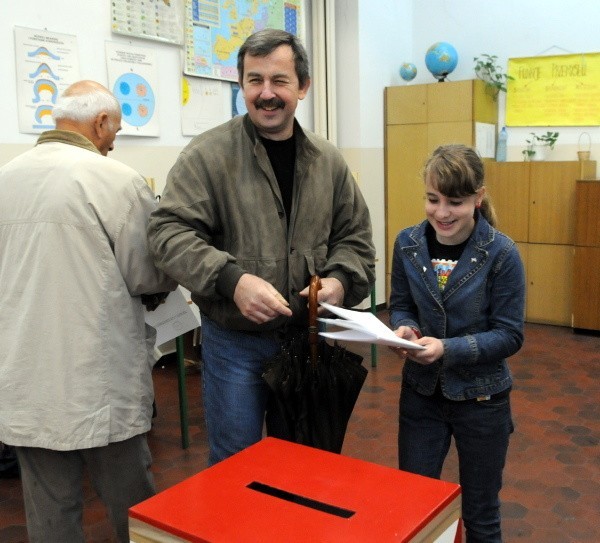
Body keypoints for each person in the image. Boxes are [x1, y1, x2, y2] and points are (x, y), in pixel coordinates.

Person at [147, 29, 375, 466]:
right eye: (254, 80)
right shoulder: (207, 156)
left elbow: (356, 239)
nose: (265, 94)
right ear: (241, 85)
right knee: (237, 467)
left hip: (309, 339)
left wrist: (340, 282)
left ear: (303, 87)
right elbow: (168, 233)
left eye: (279, 81)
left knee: (306, 462)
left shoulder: (327, 161)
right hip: (235, 345)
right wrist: (231, 281)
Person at [0, 80, 177, 543]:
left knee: (49, 516)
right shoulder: (115, 179)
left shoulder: (5, 176)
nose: (114, 141)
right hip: (98, 381)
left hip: (24, 379)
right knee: (134, 512)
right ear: (100, 123)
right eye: (115, 129)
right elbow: (147, 277)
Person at [389, 144, 525, 542]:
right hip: (421, 396)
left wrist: (448, 349)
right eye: (433, 199)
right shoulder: (408, 244)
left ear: (478, 198)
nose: (442, 213)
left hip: (482, 401)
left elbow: (510, 334)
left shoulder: (502, 254)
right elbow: (401, 305)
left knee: (481, 516)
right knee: (414, 506)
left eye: (456, 202)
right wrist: (404, 329)